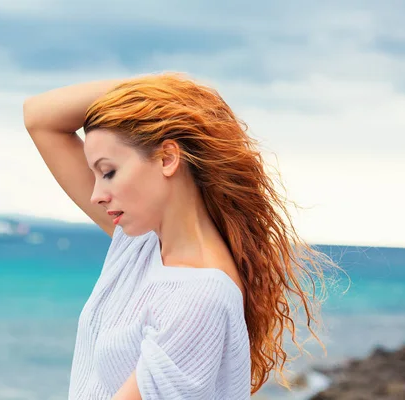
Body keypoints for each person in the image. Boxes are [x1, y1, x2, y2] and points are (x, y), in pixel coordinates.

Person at [23, 72, 336, 399]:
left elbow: (40, 118)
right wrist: (177, 92)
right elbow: (39, 117)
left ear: (168, 158)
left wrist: (174, 96)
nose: (96, 195)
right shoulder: (142, 243)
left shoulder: (198, 297)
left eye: (109, 172)